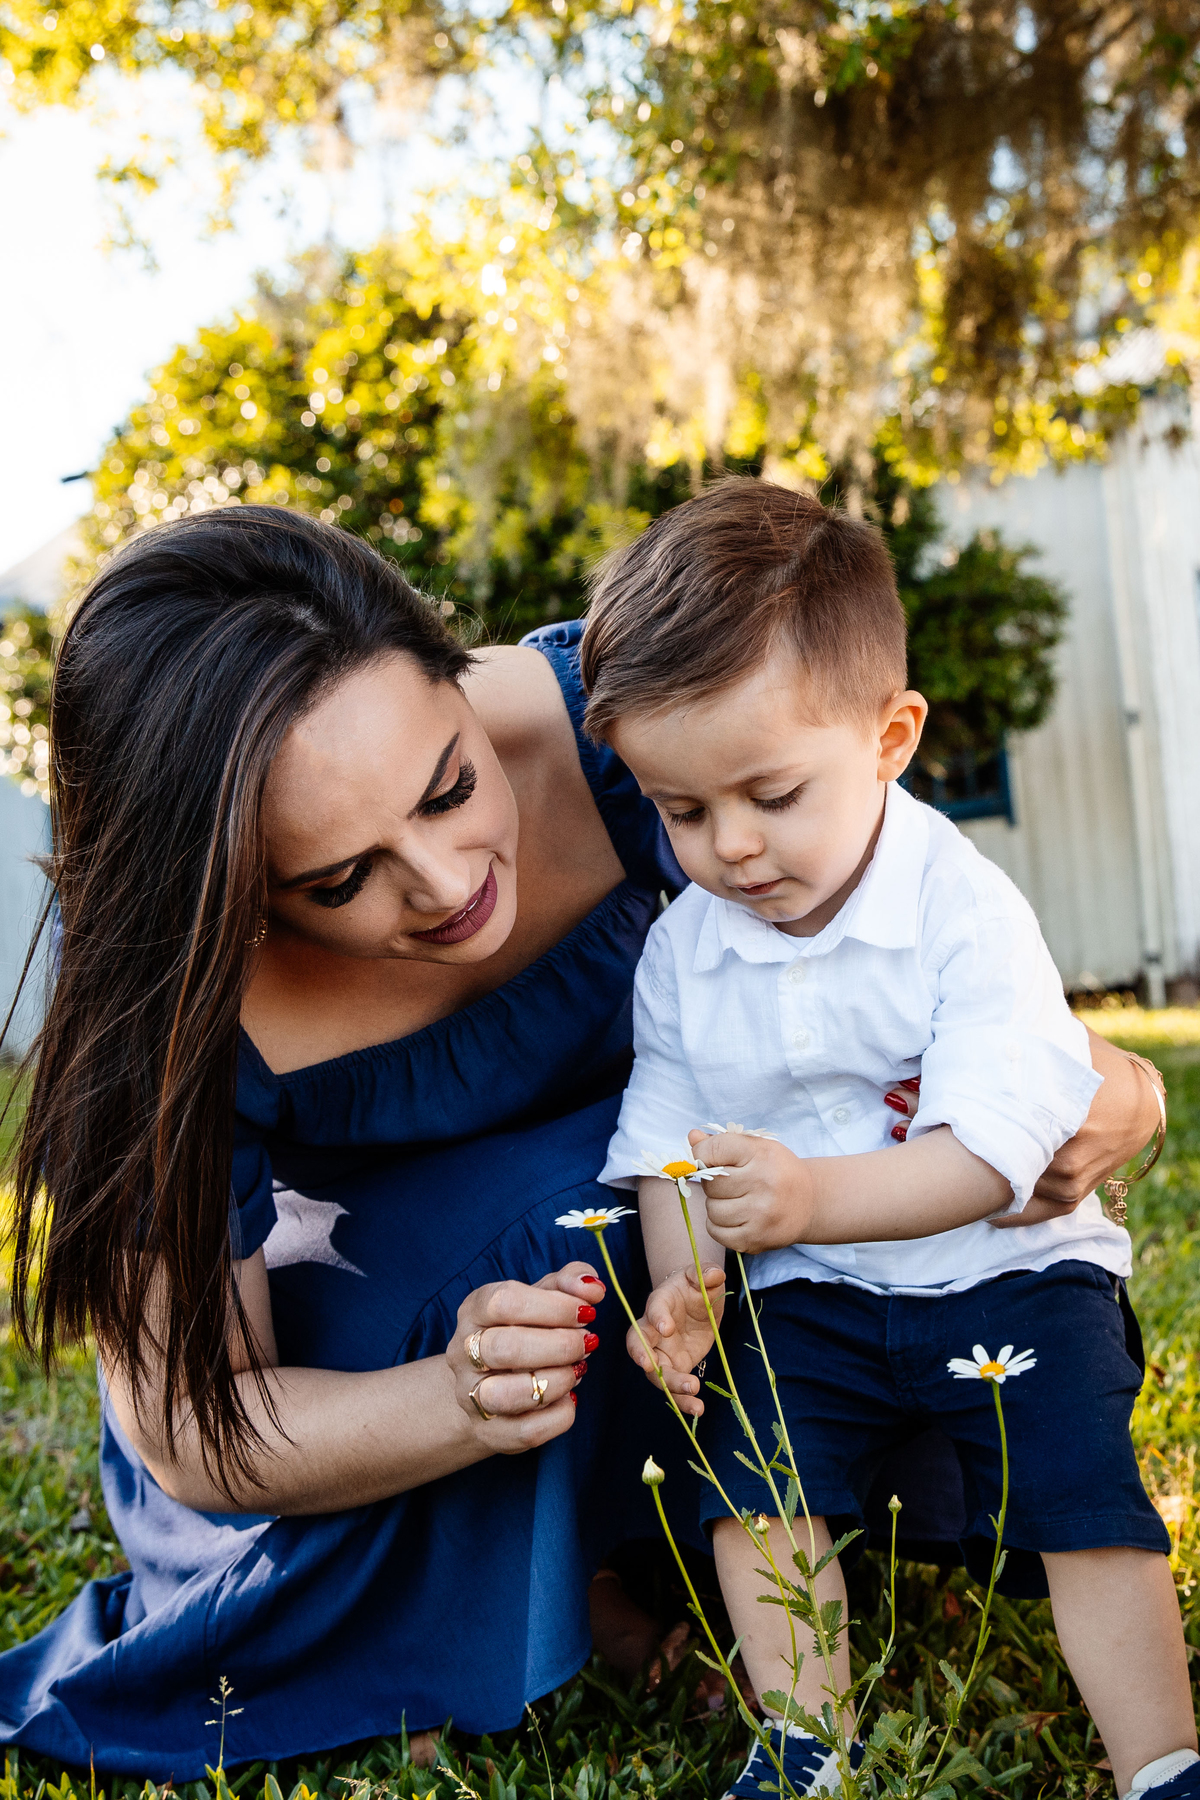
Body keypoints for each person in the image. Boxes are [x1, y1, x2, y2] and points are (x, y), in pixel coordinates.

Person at [0, 506, 1162, 1777]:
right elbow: (192, 1429)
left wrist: (1123, 1094)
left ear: (457, 676)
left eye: (450, 786)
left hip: (658, 1249)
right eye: (338, 882)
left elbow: (919, 964)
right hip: (367, 1339)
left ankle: (631, 1554)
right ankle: (553, 1585)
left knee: (651, 1205)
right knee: (584, 1211)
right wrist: (445, 1400)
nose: (447, 885)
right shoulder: (170, 1003)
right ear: (218, 885)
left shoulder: (638, 730)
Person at [585, 479, 1197, 1800]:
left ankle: (1162, 1760)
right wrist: (686, 1284)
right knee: (755, 1488)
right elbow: (673, 1140)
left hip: (1011, 1274)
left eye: (770, 793)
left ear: (890, 737)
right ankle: (807, 1742)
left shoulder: (962, 910)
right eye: (682, 813)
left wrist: (806, 1198)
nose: (733, 846)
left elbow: (991, 1154)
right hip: (813, 1300)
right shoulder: (687, 953)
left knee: (1083, 1494)